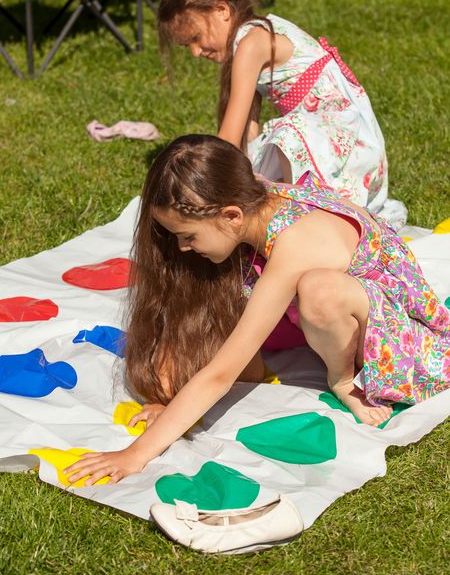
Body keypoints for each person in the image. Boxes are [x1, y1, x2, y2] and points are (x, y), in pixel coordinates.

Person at [65, 135, 449, 486]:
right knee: (169, 377)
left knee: (319, 291)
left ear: (231, 216)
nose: (182, 248)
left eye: (188, 237)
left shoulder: (298, 243)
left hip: (401, 337)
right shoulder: (251, 200)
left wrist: (135, 455)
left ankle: (342, 377)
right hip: (321, 312)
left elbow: (220, 375)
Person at [157, 0, 407, 229]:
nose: (195, 52)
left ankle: (299, 222)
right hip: (335, 147)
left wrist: (197, 188)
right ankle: (290, 214)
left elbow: (227, 141)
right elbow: (244, 138)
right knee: (255, 163)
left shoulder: (252, 44)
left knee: (285, 135)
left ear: (221, 10)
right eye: (186, 46)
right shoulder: (254, 35)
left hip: (348, 150)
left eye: (195, 38)